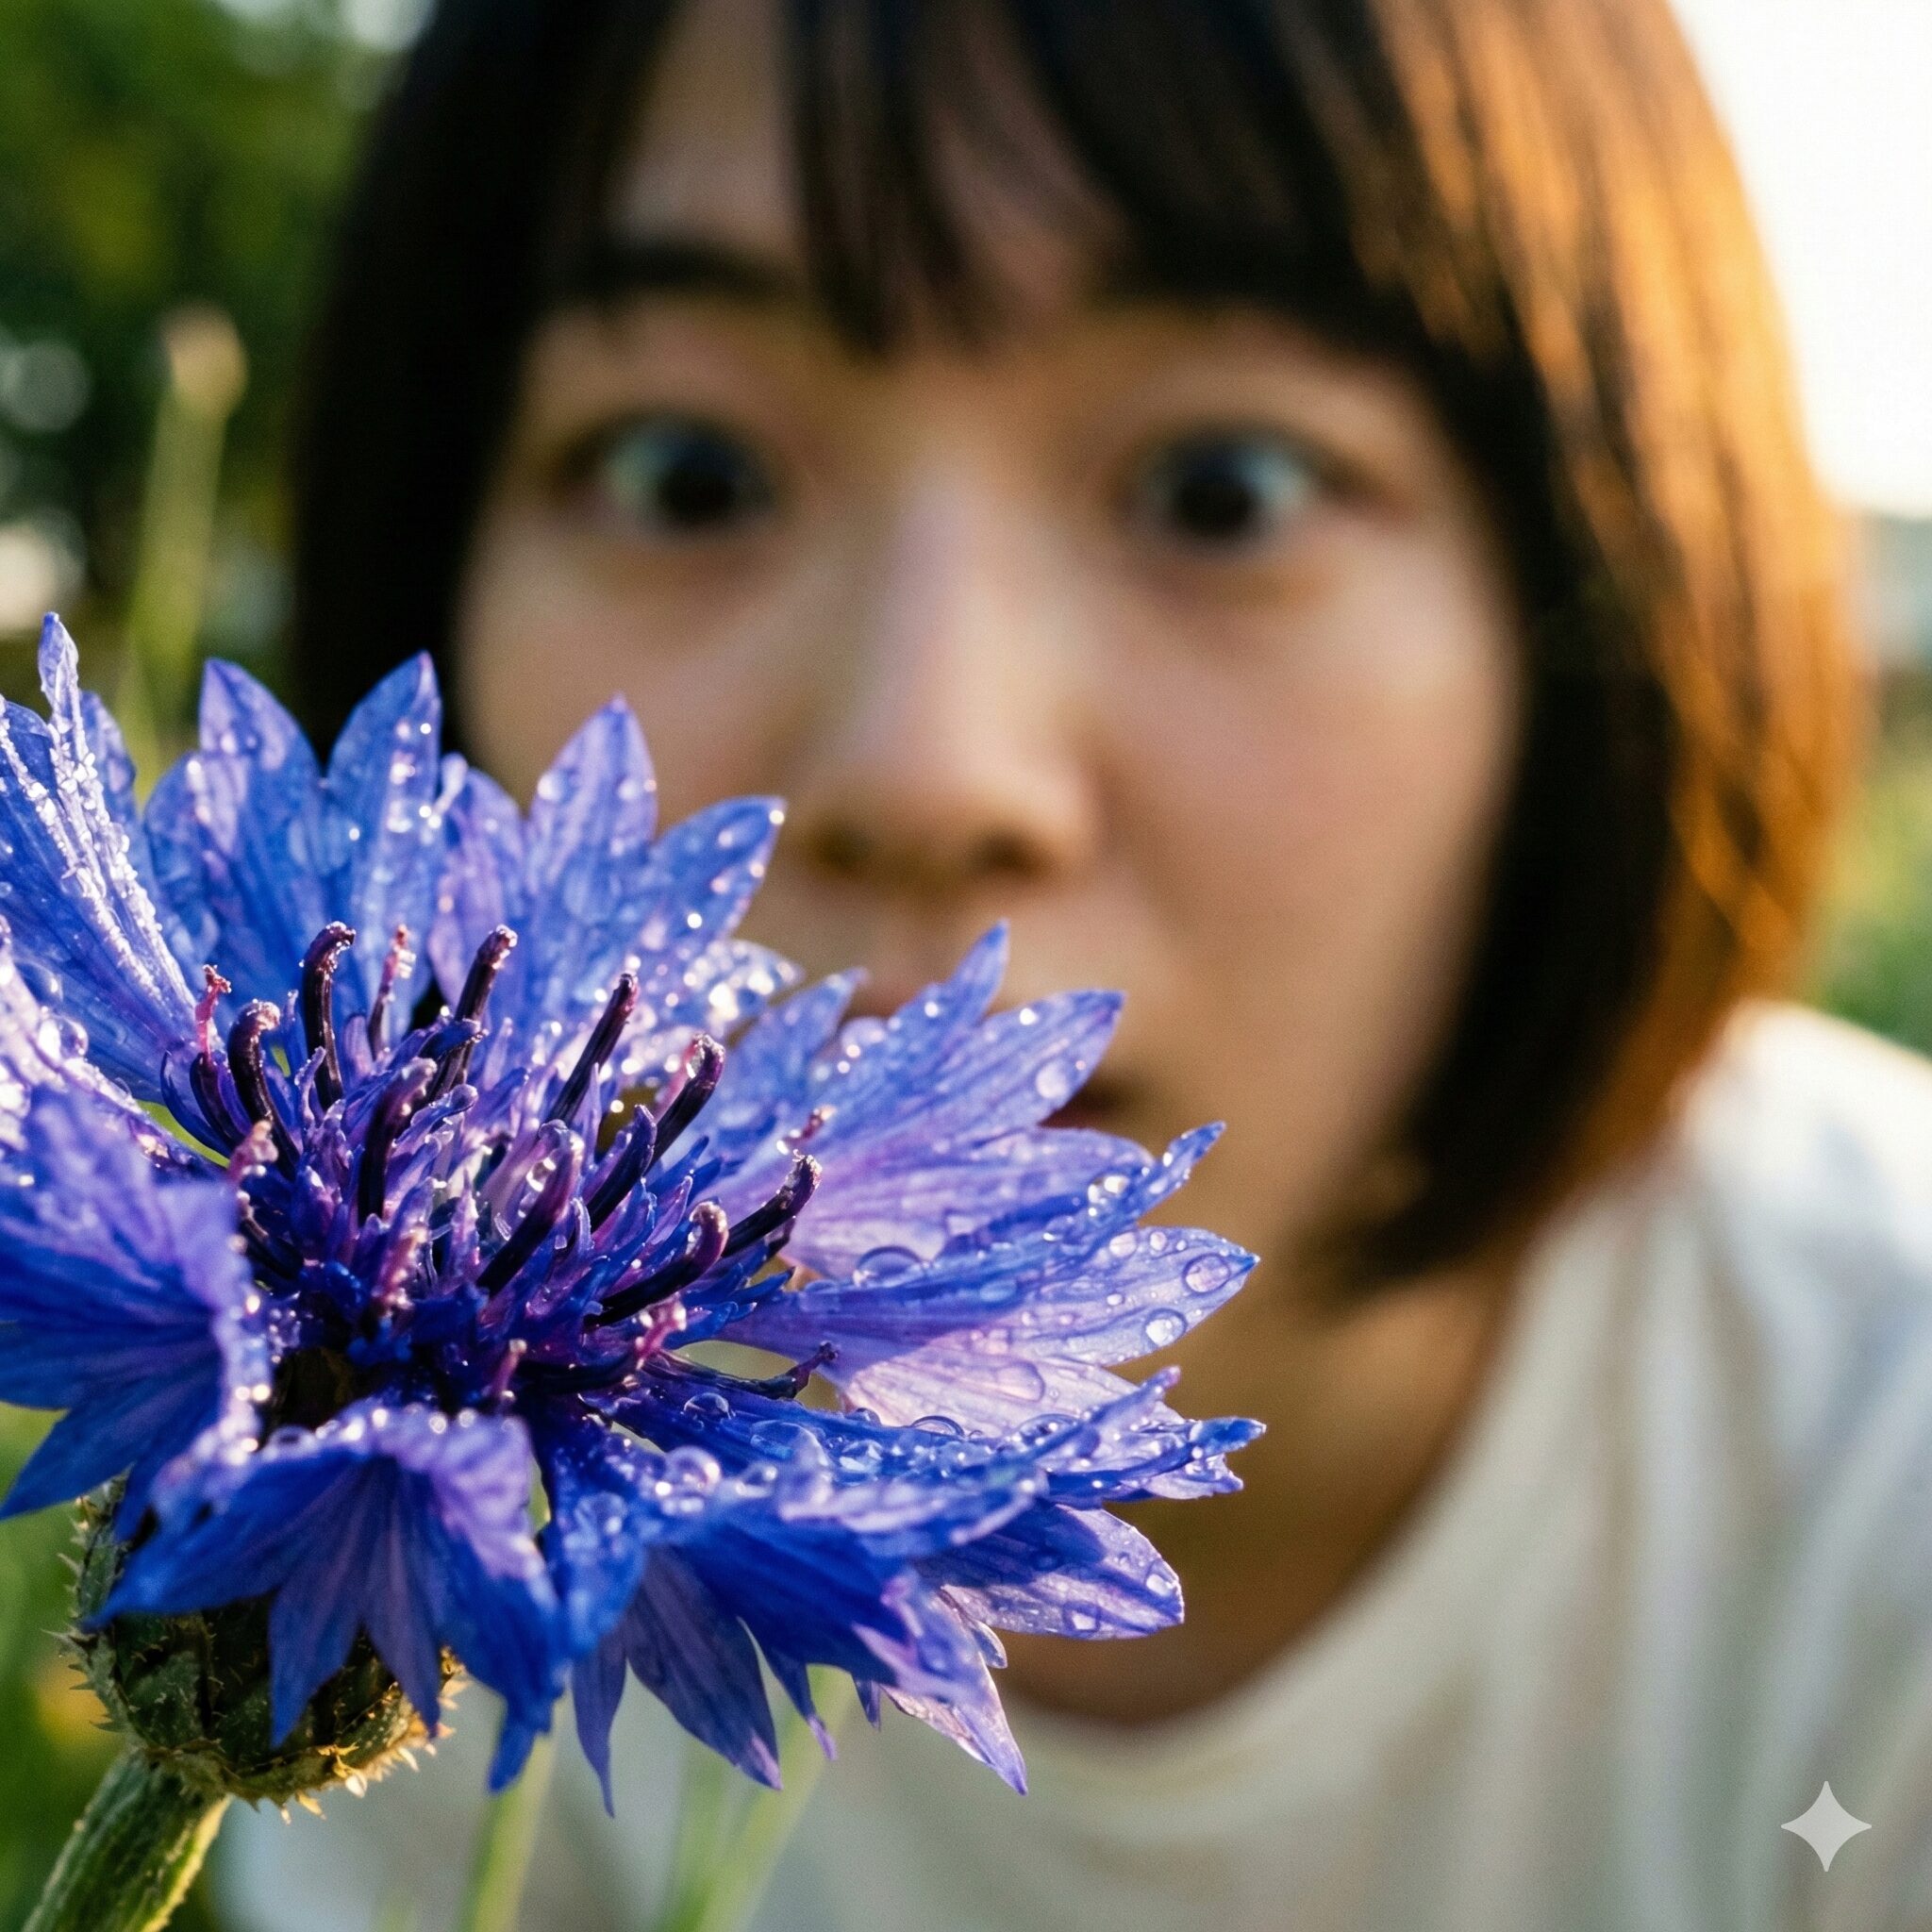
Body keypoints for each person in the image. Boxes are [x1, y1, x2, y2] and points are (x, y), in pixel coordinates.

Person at [222, 0, 1932, 1926]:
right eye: (688, 471)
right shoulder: (360, 1458)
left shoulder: (1889, 1499)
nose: (929, 767)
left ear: (1603, 604)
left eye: (1226, 489)